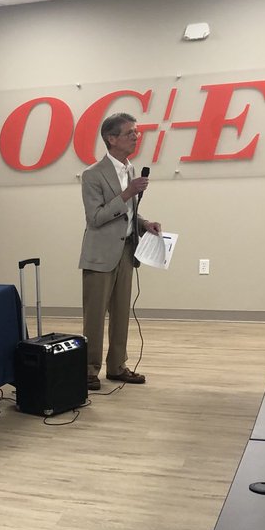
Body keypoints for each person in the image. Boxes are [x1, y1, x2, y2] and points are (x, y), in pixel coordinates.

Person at [79, 113, 161, 390]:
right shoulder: (92, 174)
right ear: (111, 139)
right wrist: (128, 194)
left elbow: (126, 214)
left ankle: (117, 366)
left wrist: (144, 223)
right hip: (100, 253)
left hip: (126, 251)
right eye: (130, 133)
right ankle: (88, 370)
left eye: (136, 133)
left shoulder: (130, 169)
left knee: (122, 312)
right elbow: (96, 217)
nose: (136, 137)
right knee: (94, 316)